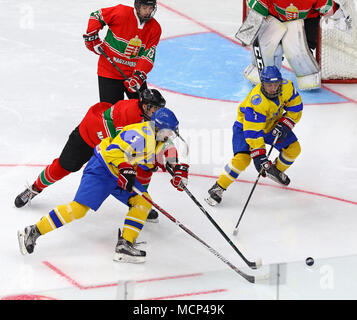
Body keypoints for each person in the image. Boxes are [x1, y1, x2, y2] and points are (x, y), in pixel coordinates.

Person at [17, 108, 190, 263]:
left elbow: (169, 150)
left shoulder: (161, 139)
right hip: (102, 169)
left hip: (121, 174)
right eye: (168, 131)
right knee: (78, 209)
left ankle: (125, 245)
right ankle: (33, 231)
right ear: (158, 128)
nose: (171, 135)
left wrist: (176, 169)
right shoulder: (139, 133)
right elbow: (112, 150)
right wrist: (125, 167)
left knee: (143, 202)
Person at [14, 88, 170, 222]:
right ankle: (34, 189)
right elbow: (121, 147)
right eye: (154, 109)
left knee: (143, 166)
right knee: (63, 166)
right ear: (144, 106)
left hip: (107, 144)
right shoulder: (129, 114)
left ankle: (140, 202)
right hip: (89, 136)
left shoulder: (146, 117)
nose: (156, 113)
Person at [205, 66, 303, 206]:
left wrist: (285, 124)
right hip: (246, 128)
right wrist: (259, 156)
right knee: (243, 159)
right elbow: (254, 133)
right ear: (262, 83)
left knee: (294, 149)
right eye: (270, 85)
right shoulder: (256, 101)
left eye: (276, 84)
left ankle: (275, 170)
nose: (274, 88)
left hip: (271, 125)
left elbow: (296, 107)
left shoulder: (287, 87)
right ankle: (219, 187)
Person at [236, 0, 352, 90]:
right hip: (274, 16)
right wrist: (248, 33)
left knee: (300, 53)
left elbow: (330, 8)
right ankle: (261, 70)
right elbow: (256, 12)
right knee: (270, 49)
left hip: (306, 20)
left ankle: (308, 77)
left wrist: (340, 18)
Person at [83, 0, 162, 104]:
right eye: (145, 8)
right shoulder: (121, 12)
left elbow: (148, 56)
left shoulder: (155, 28)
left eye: (150, 8)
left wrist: (138, 77)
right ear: (137, 6)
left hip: (133, 75)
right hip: (109, 72)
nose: (148, 11)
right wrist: (92, 37)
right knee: (111, 113)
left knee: (144, 110)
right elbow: (96, 16)